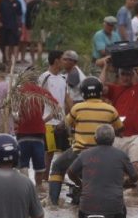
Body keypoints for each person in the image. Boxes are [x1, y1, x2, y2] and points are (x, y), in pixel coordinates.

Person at [67, 124, 138, 218]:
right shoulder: (121, 155)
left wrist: (81, 184)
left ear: (95, 138)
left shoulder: (85, 154)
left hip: (88, 206)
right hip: (113, 208)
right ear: (113, 139)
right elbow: (134, 176)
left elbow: (70, 172)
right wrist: (126, 183)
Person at [47, 77, 122, 205]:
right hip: (104, 154)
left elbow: (62, 126)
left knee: (57, 166)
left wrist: (57, 129)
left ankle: (53, 203)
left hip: (79, 152)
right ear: (100, 92)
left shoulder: (77, 108)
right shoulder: (110, 109)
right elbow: (120, 129)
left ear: (83, 93)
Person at [102, 56, 138, 194]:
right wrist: (105, 67)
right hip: (117, 137)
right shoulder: (114, 89)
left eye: (128, 74)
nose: (126, 77)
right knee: (116, 169)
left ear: (132, 76)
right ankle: (121, 194)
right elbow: (100, 87)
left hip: (135, 136)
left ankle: (135, 195)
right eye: (123, 74)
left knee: (136, 166)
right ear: (119, 76)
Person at [39, 50, 75, 181]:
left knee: (66, 152)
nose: (65, 62)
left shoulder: (63, 78)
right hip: (48, 121)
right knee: (48, 153)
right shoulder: (44, 77)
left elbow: (66, 98)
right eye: (63, 59)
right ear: (56, 61)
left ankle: (58, 179)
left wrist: (74, 113)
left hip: (62, 121)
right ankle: (44, 180)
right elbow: (38, 97)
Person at [16, 78, 57, 188]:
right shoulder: (41, 91)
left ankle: (26, 188)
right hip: (38, 133)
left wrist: (15, 120)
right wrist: (43, 121)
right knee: (40, 166)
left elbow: (7, 108)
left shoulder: (19, 91)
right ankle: (38, 189)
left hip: (22, 132)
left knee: (23, 164)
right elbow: (56, 108)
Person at [0, 0, 23, 68]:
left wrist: (19, 27)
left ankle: (10, 62)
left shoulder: (17, 2)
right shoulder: (2, 1)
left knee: (13, 44)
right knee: (4, 44)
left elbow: (19, 15)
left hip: (14, 26)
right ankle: (5, 60)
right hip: (4, 26)